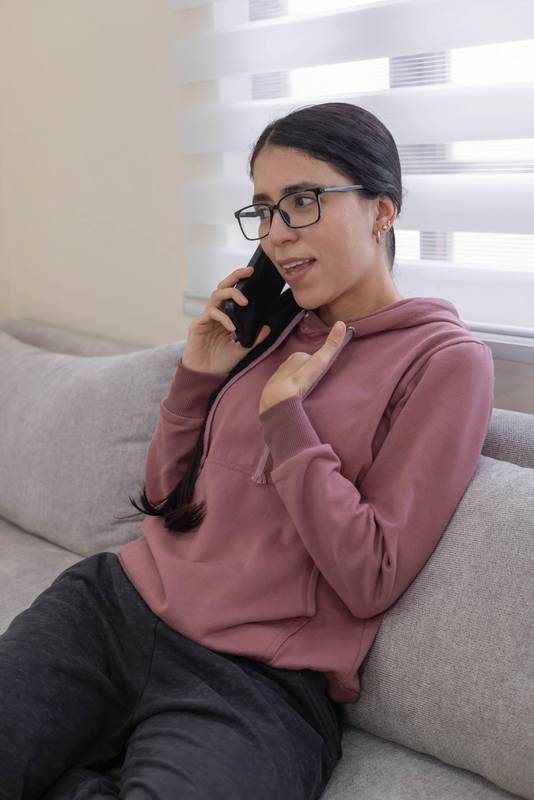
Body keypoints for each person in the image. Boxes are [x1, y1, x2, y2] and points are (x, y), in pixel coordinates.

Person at [0, 102, 494, 799]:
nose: (278, 236)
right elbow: (167, 497)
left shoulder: (445, 361)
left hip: (254, 681)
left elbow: (372, 575)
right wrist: (199, 375)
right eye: (263, 210)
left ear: (383, 211)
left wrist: (287, 420)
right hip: (112, 611)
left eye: (302, 202)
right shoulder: (269, 328)